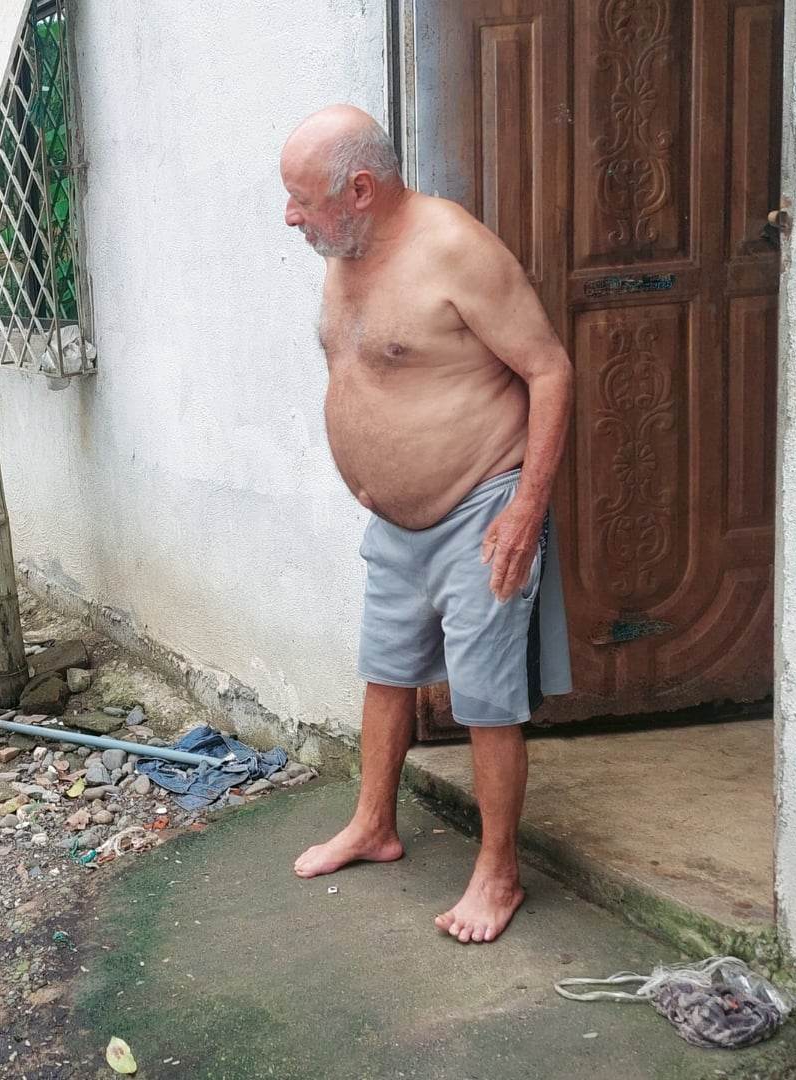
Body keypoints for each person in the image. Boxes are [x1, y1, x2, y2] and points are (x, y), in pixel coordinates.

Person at [279, 105, 574, 944]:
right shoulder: (345, 253)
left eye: (303, 199)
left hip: (481, 505)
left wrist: (526, 507)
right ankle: (373, 824)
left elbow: (549, 370)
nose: (290, 217)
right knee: (386, 672)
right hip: (396, 522)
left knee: (486, 702)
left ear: (360, 189)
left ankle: (499, 873)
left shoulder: (455, 249)